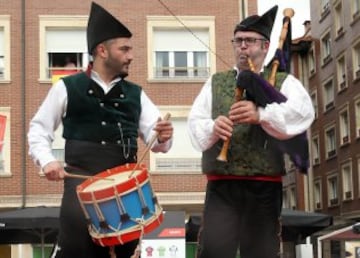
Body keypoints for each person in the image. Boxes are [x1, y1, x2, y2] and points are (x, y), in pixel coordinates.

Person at [28, 2, 173, 258]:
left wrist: (162, 136)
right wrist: (48, 161)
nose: (131, 56)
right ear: (102, 50)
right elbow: (38, 129)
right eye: (124, 49)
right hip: (80, 191)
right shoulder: (66, 87)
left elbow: (157, 141)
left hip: (126, 195)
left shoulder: (136, 94)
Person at [187, 5, 314, 258]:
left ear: (265, 46)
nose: (243, 46)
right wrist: (214, 127)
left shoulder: (283, 81)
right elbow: (195, 124)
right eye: (238, 41)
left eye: (250, 41)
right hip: (222, 185)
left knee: (261, 252)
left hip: (263, 185)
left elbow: (303, 115)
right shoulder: (216, 82)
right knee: (214, 252)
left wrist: (261, 115)